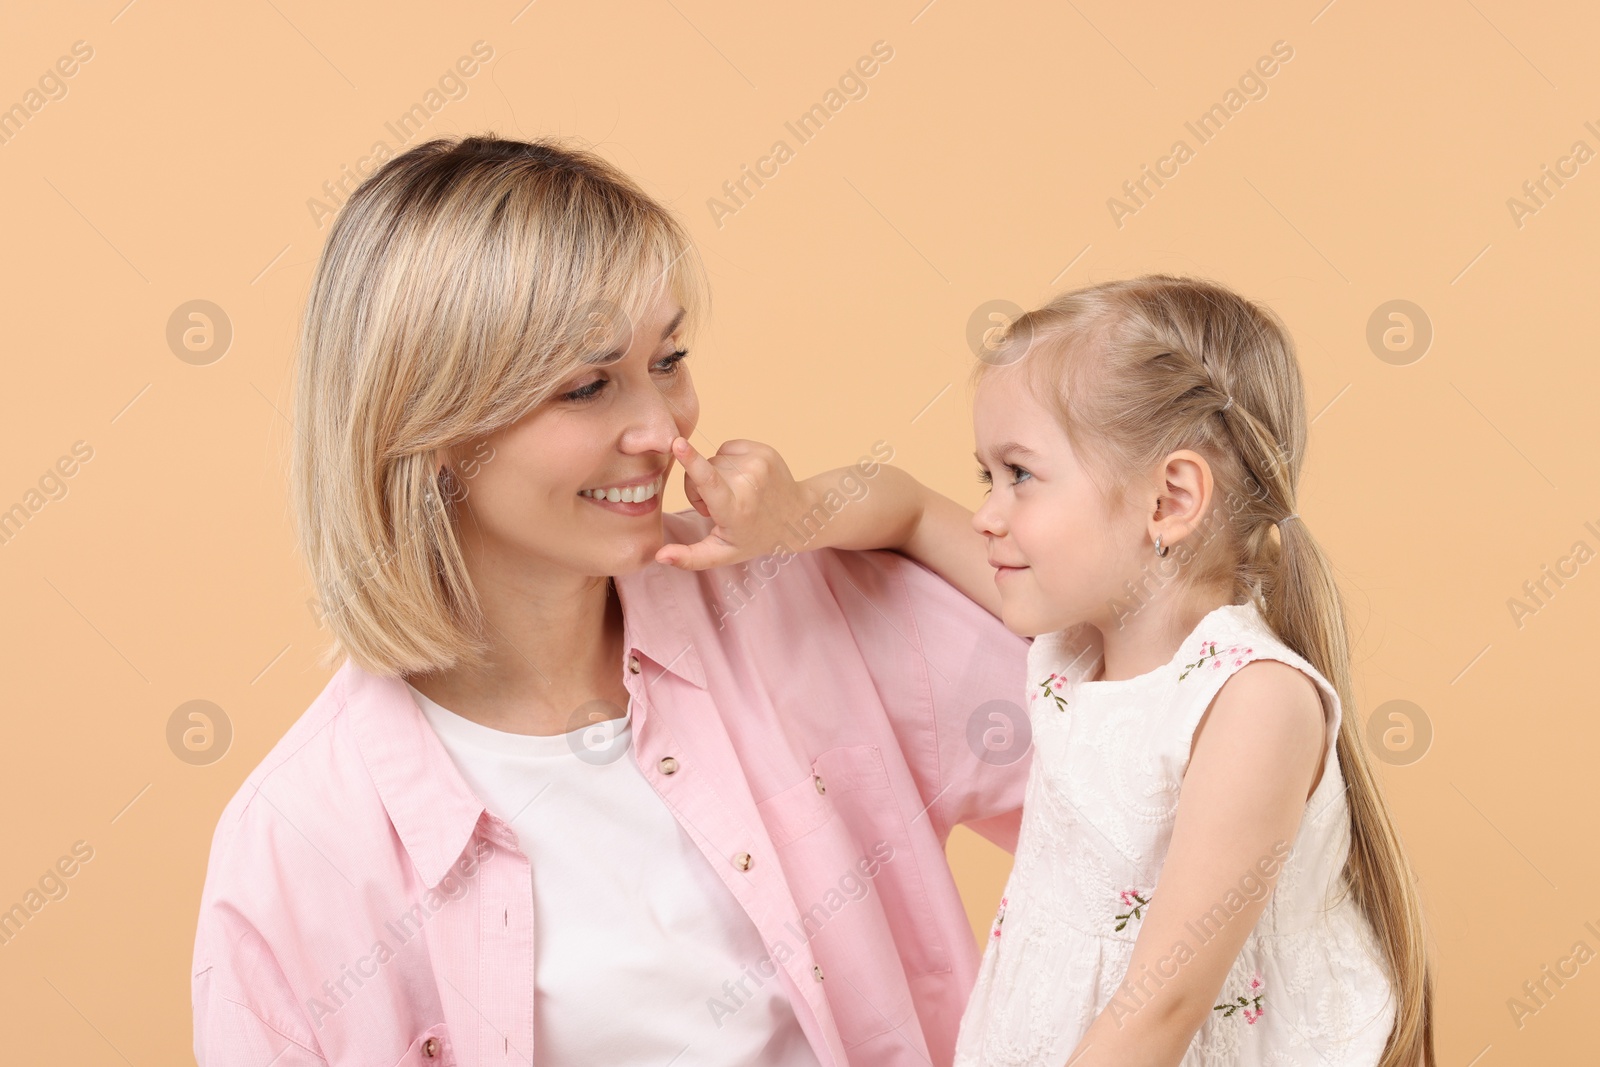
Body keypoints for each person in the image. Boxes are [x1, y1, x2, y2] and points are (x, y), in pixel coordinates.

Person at [190, 135, 1029, 1066]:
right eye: (589, 385)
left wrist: (901, 508)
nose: (663, 428)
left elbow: (1166, 739)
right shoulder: (299, 844)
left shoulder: (807, 604)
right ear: (423, 424)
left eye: (668, 360)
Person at [937, 276, 1435, 1065]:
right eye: (984, 477)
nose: (985, 515)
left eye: (1019, 475)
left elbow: (1161, 1007)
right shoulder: (1075, 640)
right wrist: (788, 507)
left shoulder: (1252, 703)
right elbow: (900, 511)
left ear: (1169, 500)